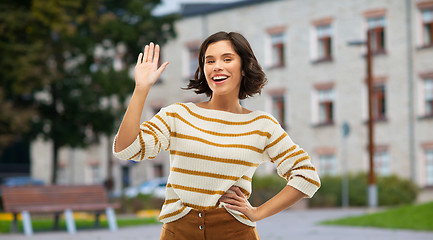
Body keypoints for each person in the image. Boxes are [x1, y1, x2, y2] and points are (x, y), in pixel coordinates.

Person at [113, 31, 320, 240]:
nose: (217, 66)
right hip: (179, 232)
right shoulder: (177, 115)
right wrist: (141, 89)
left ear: (244, 68)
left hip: (235, 232)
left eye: (227, 59)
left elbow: (306, 175)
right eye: (209, 61)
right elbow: (126, 149)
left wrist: (258, 213)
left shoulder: (262, 126)